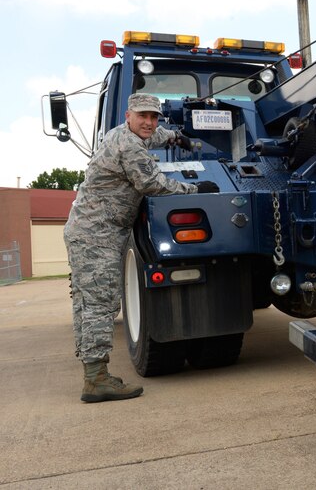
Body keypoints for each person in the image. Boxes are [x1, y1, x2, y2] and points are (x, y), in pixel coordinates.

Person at [64, 93, 217, 403]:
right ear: (128, 115)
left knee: (87, 301)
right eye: (142, 116)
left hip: (89, 231)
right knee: (100, 303)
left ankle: (94, 373)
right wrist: (195, 188)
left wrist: (177, 137)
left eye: (154, 117)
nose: (149, 122)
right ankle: (95, 380)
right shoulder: (129, 146)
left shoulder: (125, 133)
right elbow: (153, 183)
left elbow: (155, 134)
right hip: (98, 235)